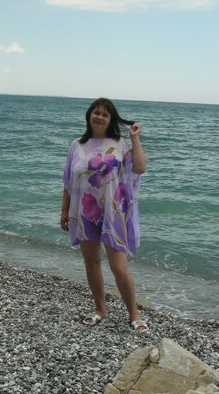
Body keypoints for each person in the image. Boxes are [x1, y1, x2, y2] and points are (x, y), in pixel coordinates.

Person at [60, 98, 148, 331]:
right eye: (96, 113)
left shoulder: (119, 143)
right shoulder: (77, 144)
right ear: (89, 115)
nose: (99, 117)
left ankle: (134, 313)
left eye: (105, 114)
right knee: (91, 261)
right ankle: (100, 308)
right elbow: (69, 180)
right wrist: (64, 210)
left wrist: (135, 139)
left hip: (113, 211)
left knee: (118, 266)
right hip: (84, 210)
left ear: (111, 120)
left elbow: (139, 168)